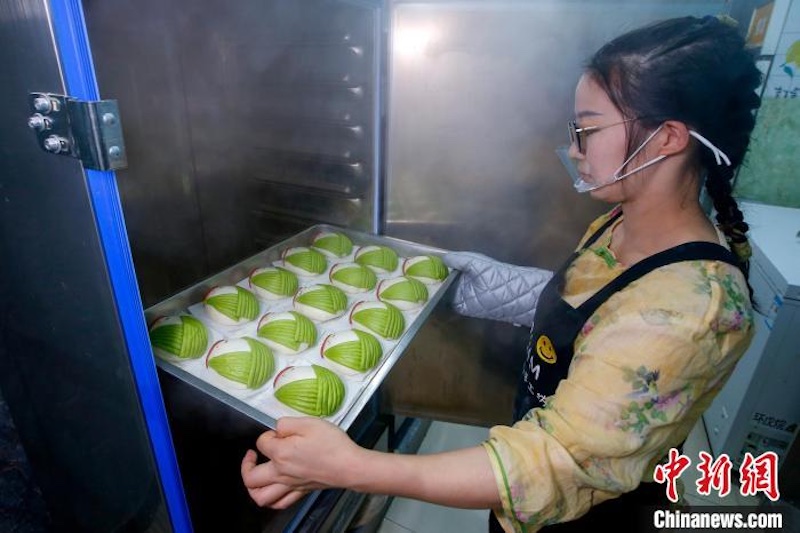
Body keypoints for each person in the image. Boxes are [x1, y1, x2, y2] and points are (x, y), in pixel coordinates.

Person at [241, 15, 760, 532]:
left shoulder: (695, 309)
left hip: (586, 514)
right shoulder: (618, 223)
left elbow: (551, 461)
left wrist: (355, 467)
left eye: (589, 129)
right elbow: (609, 312)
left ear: (667, 138)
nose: (575, 149)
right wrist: (505, 290)